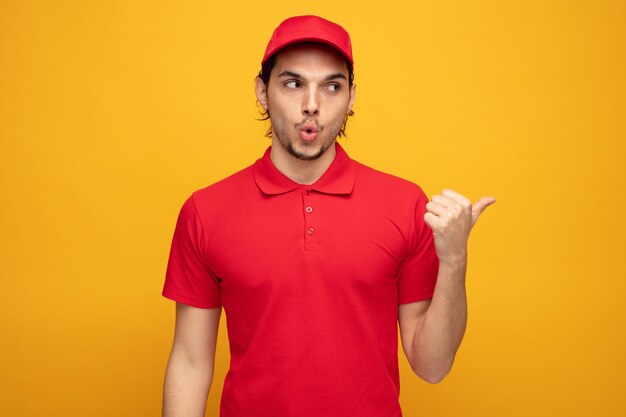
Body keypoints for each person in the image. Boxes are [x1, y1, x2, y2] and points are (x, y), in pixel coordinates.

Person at [161, 15, 495, 417]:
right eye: (293, 83)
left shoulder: (405, 205)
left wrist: (455, 259)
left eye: (331, 86)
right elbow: (191, 362)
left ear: (351, 97)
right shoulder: (206, 211)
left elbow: (433, 365)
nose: (311, 106)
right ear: (262, 92)